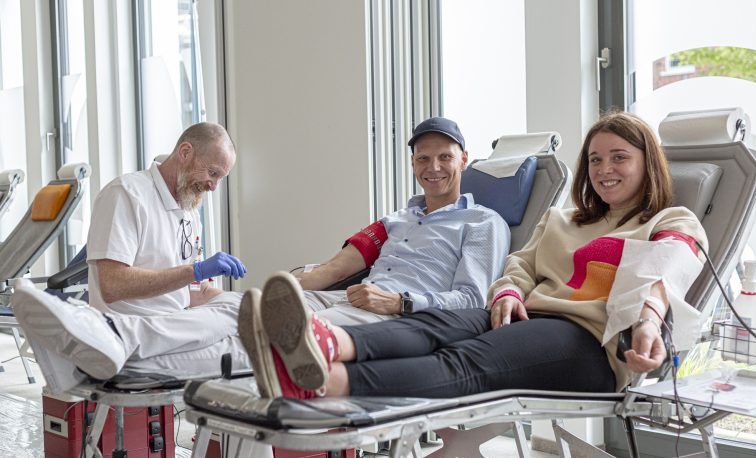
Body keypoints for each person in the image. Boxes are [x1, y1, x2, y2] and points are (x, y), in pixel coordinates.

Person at [239, 111, 709, 399]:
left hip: (587, 341)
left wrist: (647, 321)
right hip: (524, 315)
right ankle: (326, 344)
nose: (605, 169)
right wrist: (506, 291)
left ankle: (323, 383)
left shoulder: (670, 221)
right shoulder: (564, 219)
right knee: (430, 328)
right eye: (596, 159)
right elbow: (521, 265)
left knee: (463, 363)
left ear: (648, 161)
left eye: (619, 157)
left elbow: (664, 271)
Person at [12, 122, 281, 458]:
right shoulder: (126, 195)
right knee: (241, 352)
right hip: (144, 349)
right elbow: (113, 284)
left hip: (171, 335)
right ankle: (107, 333)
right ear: (185, 152)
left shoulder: (189, 211)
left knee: (245, 339)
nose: (213, 186)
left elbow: (189, 294)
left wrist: (232, 301)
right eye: (213, 173)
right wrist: (195, 272)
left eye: (221, 178)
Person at [291, 116, 510, 325]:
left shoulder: (483, 222)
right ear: (413, 163)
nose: (433, 167)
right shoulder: (395, 220)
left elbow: (473, 299)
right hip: (353, 299)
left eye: (445, 157)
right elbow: (337, 267)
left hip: (398, 314)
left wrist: (400, 302)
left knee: (296, 328)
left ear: (463, 160)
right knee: (266, 311)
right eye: (423, 158)